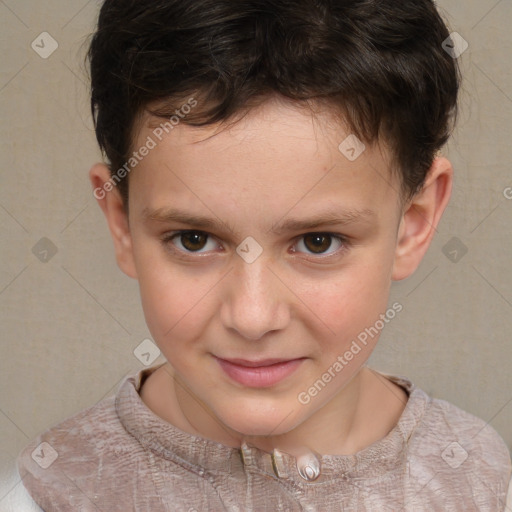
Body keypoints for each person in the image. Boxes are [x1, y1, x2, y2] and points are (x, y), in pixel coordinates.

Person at [16, 0, 512, 510]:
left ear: (414, 224)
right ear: (121, 224)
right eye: (194, 239)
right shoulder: (49, 490)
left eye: (318, 241)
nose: (253, 318)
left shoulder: (480, 480)